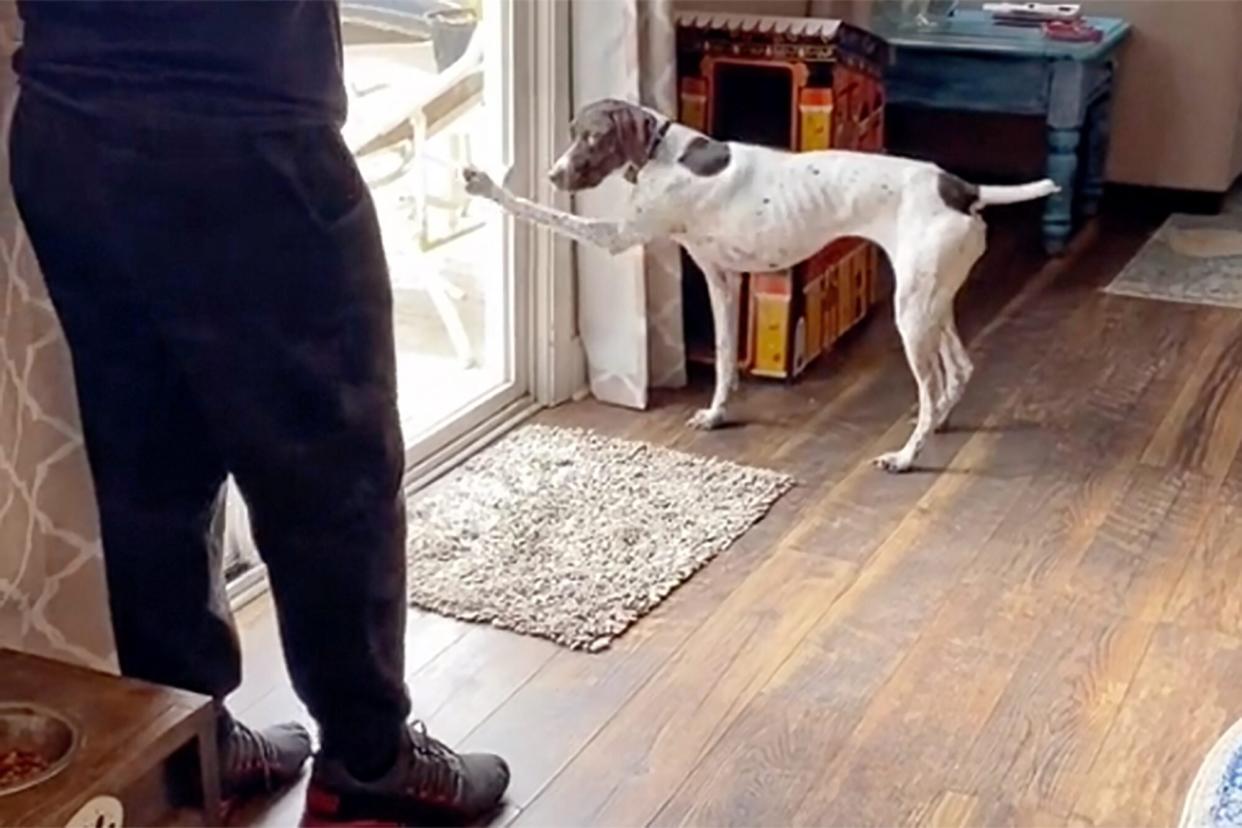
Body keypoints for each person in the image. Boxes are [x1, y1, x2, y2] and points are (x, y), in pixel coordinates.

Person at [8, 1, 509, 822]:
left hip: (71, 123)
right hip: (244, 136)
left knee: (149, 465)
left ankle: (193, 738)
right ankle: (370, 756)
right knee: (334, 468)